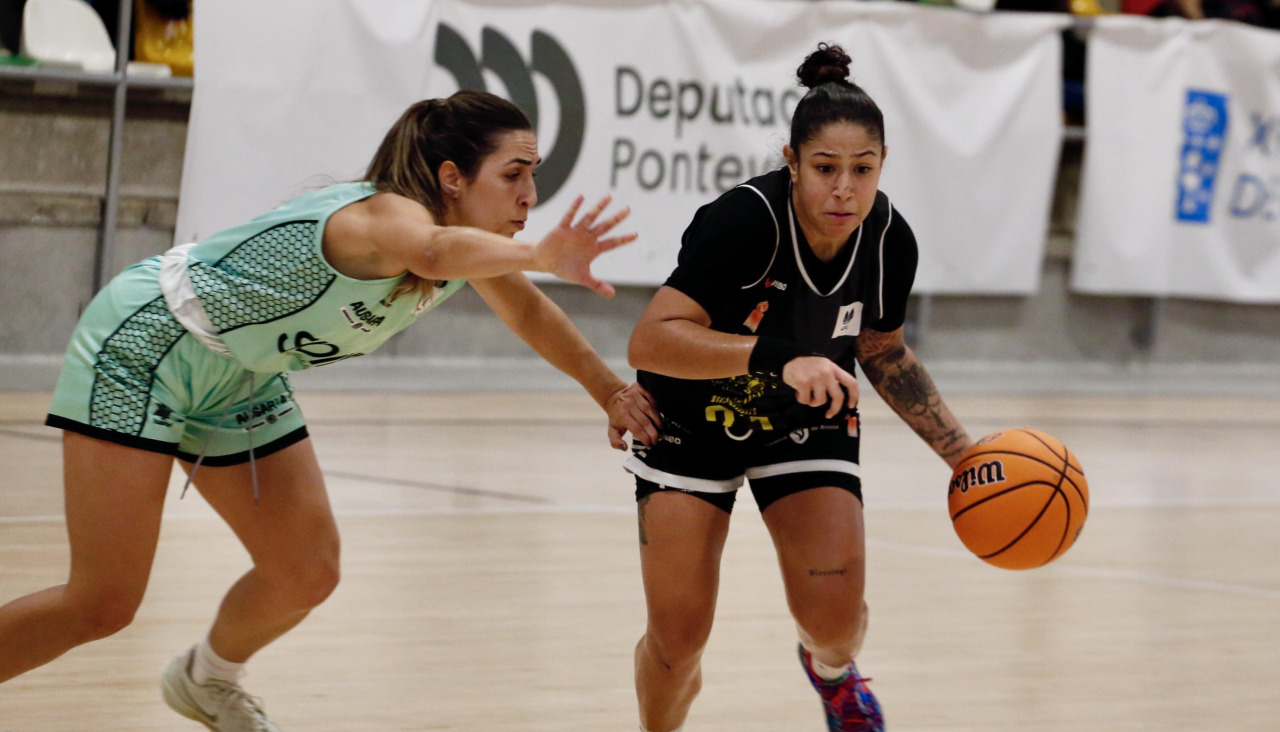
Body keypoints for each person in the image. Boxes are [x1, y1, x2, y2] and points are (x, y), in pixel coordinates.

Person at [0, 89, 660, 731]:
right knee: (102, 603)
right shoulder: (383, 218)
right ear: (452, 177)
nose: (529, 196)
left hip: (243, 375)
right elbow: (429, 253)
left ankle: (205, 681)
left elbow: (525, 309)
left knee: (306, 570)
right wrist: (540, 254)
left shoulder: (466, 242)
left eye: (533, 177)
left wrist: (609, 391)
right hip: (150, 344)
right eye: (514, 175)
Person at [624, 44, 974, 732]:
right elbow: (652, 339)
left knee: (836, 620)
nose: (844, 188)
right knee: (678, 643)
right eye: (824, 168)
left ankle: (833, 674)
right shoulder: (744, 221)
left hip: (804, 420)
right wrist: (780, 356)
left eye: (862, 169)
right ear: (790, 161)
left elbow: (882, 351)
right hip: (691, 425)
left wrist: (962, 454)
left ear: (882, 167)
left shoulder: (888, 240)